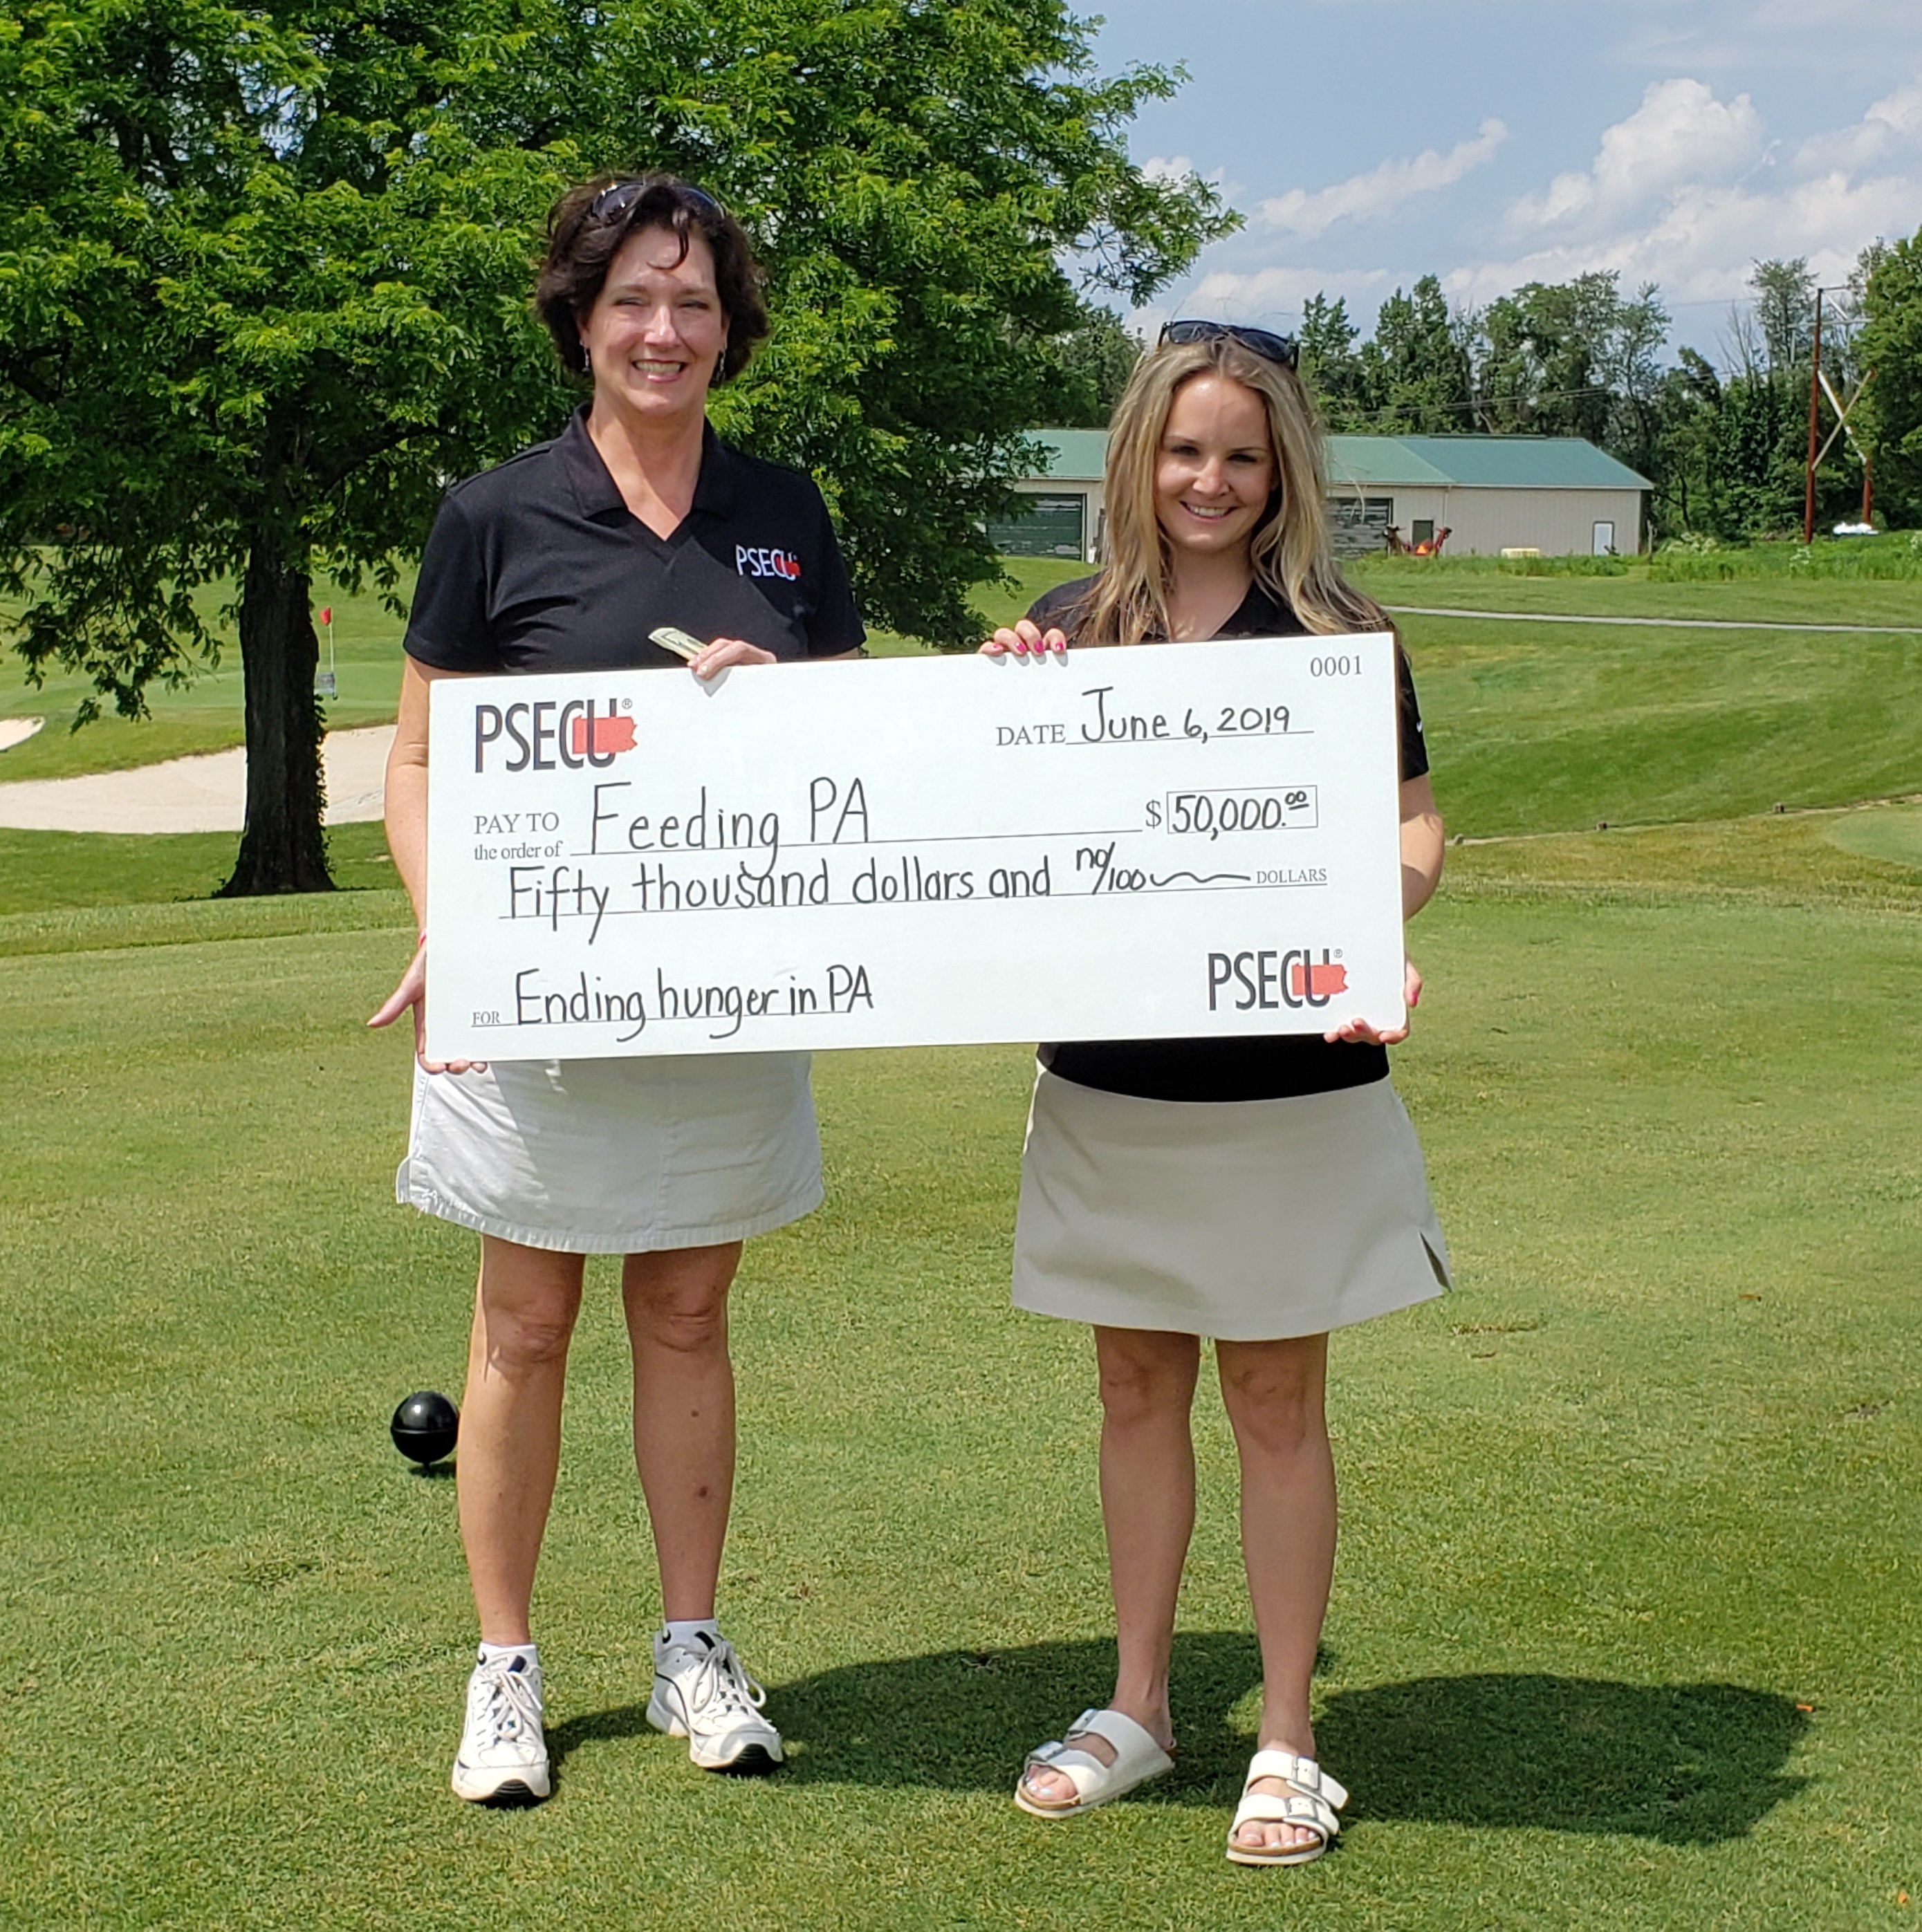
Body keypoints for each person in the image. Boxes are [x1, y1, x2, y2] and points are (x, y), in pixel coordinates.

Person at [369, 173, 865, 1805]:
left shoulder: (784, 507)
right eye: (635, 299)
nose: (666, 330)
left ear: (731, 326)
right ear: (581, 321)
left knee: (688, 1308)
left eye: (696, 301)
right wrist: (453, 926)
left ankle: (690, 1643)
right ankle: (503, 1670)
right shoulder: (492, 515)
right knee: (523, 1320)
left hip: (722, 1003)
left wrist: (776, 696)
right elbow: (421, 761)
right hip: (536, 1004)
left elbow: (850, 754)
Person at [982, 321, 1449, 1866]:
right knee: (1131, 1386)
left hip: (1286, 1087)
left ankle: (1287, 1731)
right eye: (1185, 451)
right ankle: (1138, 1705)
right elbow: (988, 832)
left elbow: (1412, 831)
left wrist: (1368, 927)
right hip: (1113, 1086)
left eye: (1241, 455)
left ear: (1280, 472)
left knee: (1272, 1396)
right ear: (1139, 458)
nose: (1210, 479)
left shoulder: (1336, 641)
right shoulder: (1063, 631)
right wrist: (1000, 707)